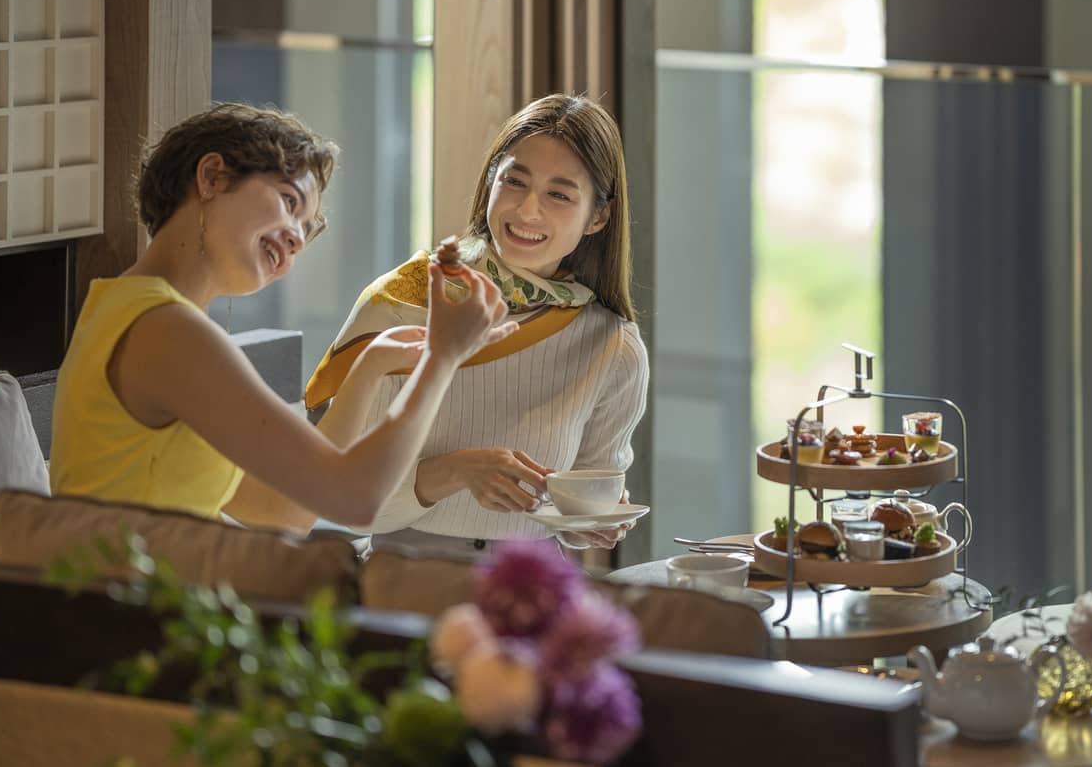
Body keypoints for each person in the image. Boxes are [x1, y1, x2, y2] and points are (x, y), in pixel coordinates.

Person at [49, 103, 515, 526]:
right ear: (212, 178)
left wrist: (369, 367)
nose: (295, 239)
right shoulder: (168, 332)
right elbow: (355, 499)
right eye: (289, 201)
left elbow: (285, 512)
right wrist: (440, 359)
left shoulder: (124, 306)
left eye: (304, 232)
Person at [305, 94, 648, 553]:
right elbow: (341, 500)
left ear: (598, 217)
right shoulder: (403, 302)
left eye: (559, 195)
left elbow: (576, 507)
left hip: (534, 584)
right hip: (403, 578)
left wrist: (589, 524)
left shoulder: (611, 345)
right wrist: (456, 472)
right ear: (490, 183)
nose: (528, 211)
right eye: (514, 181)